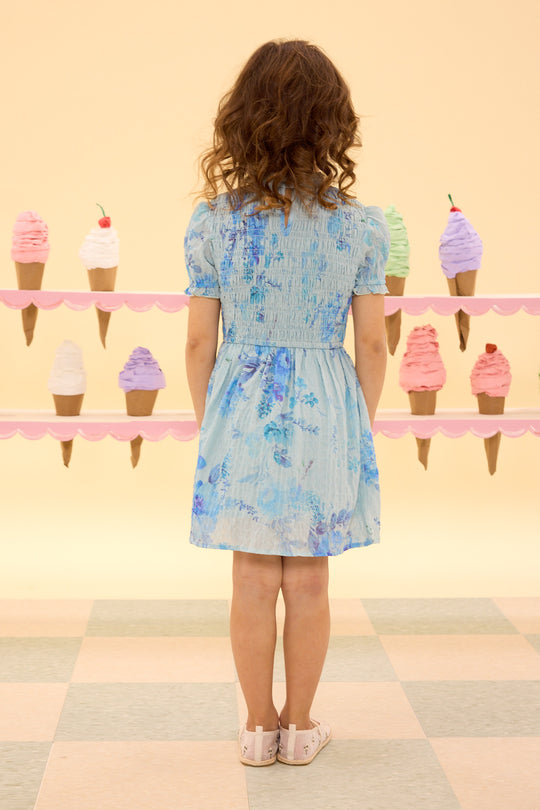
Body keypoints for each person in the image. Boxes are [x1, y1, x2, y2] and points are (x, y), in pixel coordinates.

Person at [184, 39, 390, 766]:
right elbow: (371, 346)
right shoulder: (362, 226)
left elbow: (197, 347)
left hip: (240, 402)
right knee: (308, 574)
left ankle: (255, 726)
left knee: (250, 573)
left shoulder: (212, 223)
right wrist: (354, 425)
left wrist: (214, 419)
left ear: (242, 120)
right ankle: (301, 728)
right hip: (326, 406)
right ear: (332, 124)